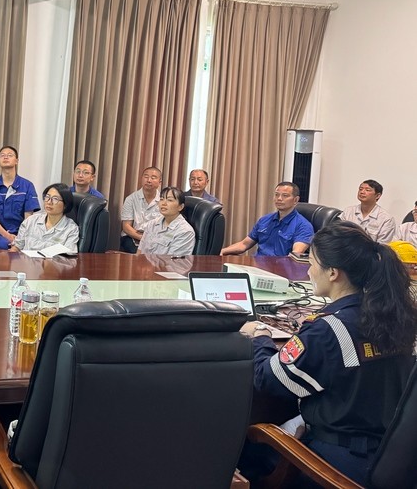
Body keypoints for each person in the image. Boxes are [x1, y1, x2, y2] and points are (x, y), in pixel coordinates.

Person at [240, 222, 417, 485]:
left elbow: (268, 379)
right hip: (390, 458)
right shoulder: (398, 316)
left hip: (337, 466)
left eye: (311, 263)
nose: (308, 271)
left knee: (246, 446)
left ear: (333, 273)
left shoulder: (327, 329)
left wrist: (260, 336)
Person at [220, 182, 313, 256]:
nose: (279, 199)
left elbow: (295, 255)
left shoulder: (303, 226)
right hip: (256, 265)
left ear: (295, 200)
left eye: (285, 195)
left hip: (279, 269)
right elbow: (244, 245)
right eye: (276, 195)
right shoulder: (265, 220)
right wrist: (222, 251)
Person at [0, 146, 40, 250]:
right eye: (2, 155)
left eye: (10, 155)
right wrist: (7, 236)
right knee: (3, 244)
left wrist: (19, 239)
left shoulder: (27, 186)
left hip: (22, 235)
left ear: (16, 161)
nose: (6, 157)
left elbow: (28, 218)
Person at [10, 183, 80, 254]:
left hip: (53, 261)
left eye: (55, 199)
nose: (49, 202)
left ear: (66, 204)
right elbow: (16, 247)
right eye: (47, 197)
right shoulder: (30, 221)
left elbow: (69, 256)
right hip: (26, 260)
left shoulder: (71, 229)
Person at [137, 186, 196, 256]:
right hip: (142, 262)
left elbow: (174, 261)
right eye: (161, 199)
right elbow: (139, 251)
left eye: (169, 200)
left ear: (180, 207)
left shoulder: (185, 231)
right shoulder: (152, 224)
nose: (163, 203)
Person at [119, 166, 162, 253]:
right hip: (132, 237)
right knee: (139, 254)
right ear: (141, 179)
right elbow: (126, 226)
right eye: (146, 177)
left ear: (159, 182)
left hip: (156, 239)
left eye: (153, 178)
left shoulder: (164, 201)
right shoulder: (131, 199)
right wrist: (144, 239)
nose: (149, 180)